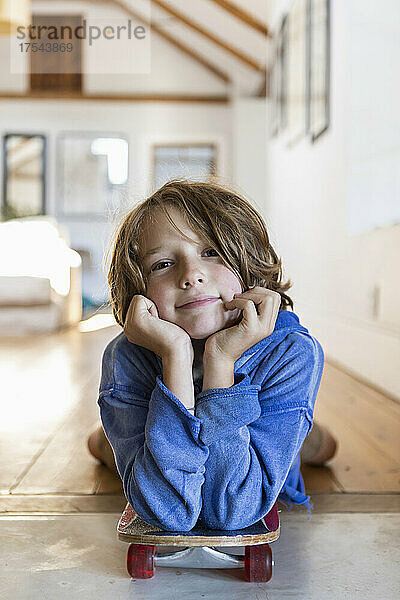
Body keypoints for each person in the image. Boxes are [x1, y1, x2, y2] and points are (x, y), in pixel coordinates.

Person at [87, 179, 337, 531]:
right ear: (138, 289)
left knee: (320, 450)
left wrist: (220, 362)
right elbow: (167, 511)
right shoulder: (124, 358)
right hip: (162, 427)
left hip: (260, 430)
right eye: (161, 264)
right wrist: (174, 355)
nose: (191, 276)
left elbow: (233, 510)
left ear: (249, 263)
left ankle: (308, 437)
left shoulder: (292, 352)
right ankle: (103, 438)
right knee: (105, 447)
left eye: (211, 253)